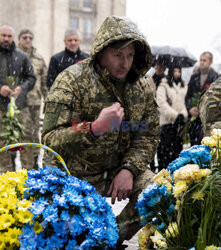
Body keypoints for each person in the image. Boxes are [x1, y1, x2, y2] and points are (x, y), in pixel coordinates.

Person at [42, 15, 160, 246]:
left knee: (157, 190)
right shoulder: (71, 80)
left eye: (130, 55)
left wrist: (128, 169)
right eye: (118, 55)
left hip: (117, 170)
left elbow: (147, 134)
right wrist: (94, 128)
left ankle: (111, 238)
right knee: (62, 232)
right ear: (101, 52)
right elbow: (50, 138)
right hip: (73, 173)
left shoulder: (142, 86)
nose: (125, 63)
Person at [0, 24, 36, 174]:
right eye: (3, 36)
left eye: (9, 36)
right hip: (1, 108)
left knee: (26, 139)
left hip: (21, 106)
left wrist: (22, 87)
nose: (6, 39)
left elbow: (31, 77)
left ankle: (27, 175)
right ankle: (5, 175)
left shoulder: (21, 56)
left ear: (13, 37)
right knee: (2, 142)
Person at [18, 28, 48, 169]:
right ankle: (18, 166)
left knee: (34, 134)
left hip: (34, 102)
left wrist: (47, 101)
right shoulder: (13, 56)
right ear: (19, 39)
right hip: (16, 103)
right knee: (19, 134)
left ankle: (35, 164)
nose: (28, 40)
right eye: (25, 37)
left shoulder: (39, 59)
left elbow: (44, 82)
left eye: (30, 38)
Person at [156, 66, 188, 170]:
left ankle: (176, 176)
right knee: (166, 152)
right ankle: (165, 175)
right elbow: (161, 104)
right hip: (167, 124)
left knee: (177, 152)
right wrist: (175, 115)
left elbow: (183, 103)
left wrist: (183, 114)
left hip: (179, 124)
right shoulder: (163, 85)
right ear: (170, 72)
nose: (177, 73)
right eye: (175, 71)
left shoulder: (183, 86)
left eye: (179, 71)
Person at [186, 51, 219, 145]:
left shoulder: (216, 78)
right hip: (194, 120)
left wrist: (204, 109)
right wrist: (190, 109)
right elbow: (188, 96)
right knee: (194, 149)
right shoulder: (194, 77)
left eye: (205, 60)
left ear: (210, 62)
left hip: (209, 122)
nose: (202, 62)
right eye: (200, 60)